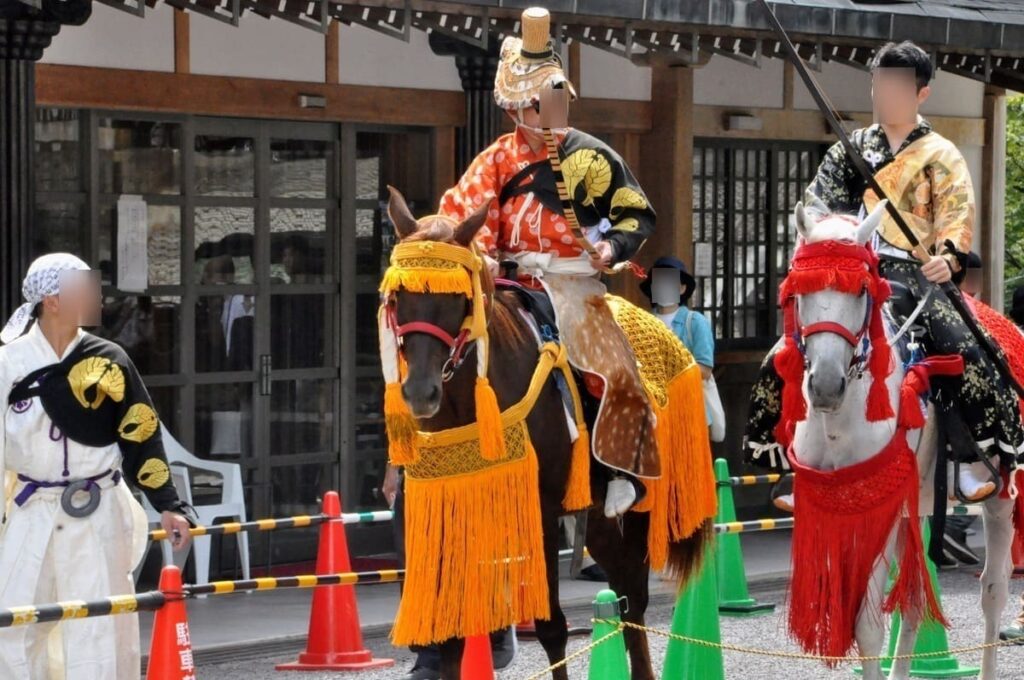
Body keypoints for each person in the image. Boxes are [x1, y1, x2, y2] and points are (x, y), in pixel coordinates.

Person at [743, 41, 1024, 507]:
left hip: (916, 272)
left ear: (922, 93)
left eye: (897, 85)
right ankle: (792, 458)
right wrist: (820, 242)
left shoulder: (942, 154)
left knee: (966, 348)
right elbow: (818, 205)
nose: (885, 93)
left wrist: (948, 257)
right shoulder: (850, 150)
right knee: (787, 352)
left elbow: (956, 215)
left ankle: (969, 460)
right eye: (880, 83)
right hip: (852, 267)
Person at [437, 7, 658, 518]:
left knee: (616, 367)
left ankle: (616, 470)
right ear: (518, 108)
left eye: (555, 102)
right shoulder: (495, 159)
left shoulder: (593, 154)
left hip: (572, 284)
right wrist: (483, 256)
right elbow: (461, 214)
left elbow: (634, 213)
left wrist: (609, 249)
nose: (548, 114)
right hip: (509, 282)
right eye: (538, 105)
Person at [0, 253, 193, 679]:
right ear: (52, 299)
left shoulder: (110, 358)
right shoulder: (8, 364)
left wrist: (169, 503)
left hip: (99, 507)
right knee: (16, 623)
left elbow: (141, 432)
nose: (97, 295)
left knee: (101, 628)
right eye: (84, 286)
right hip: (32, 511)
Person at [382, 464, 517, 679]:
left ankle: (494, 632)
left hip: (473, 461)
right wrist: (392, 468)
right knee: (416, 560)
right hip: (421, 466)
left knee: (471, 553)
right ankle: (429, 653)